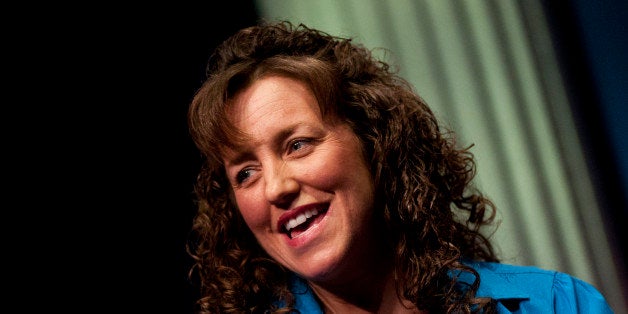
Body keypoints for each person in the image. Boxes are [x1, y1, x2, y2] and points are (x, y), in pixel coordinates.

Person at [185, 21, 613, 313]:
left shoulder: (557, 303)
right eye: (245, 173)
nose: (275, 187)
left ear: (374, 142)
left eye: (297, 145)